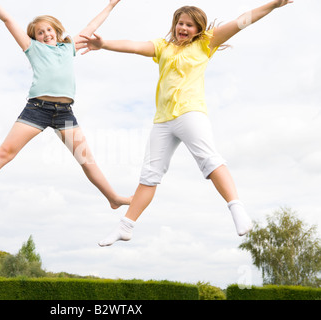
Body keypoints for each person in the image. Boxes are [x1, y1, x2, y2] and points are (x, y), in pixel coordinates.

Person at [78, 0, 293, 246]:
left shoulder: (206, 43)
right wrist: (104, 44)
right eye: (180, 23)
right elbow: (135, 46)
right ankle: (125, 226)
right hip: (163, 121)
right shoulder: (163, 47)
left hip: (190, 113)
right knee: (149, 175)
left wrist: (274, 5)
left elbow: (243, 20)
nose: (183, 27)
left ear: (198, 29)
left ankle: (236, 208)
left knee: (209, 160)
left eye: (189, 24)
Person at [0, 0, 131, 210]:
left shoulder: (68, 47)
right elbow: (7, 19)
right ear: (35, 37)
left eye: (48, 30)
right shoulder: (32, 48)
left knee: (86, 159)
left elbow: (92, 26)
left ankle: (113, 199)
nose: (46, 34)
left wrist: (110, 6)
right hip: (37, 109)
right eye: (40, 33)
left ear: (56, 30)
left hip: (64, 113)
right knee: (5, 152)